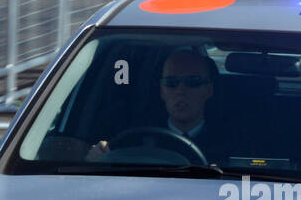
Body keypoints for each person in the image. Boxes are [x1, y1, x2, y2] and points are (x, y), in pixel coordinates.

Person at [86, 48, 222, 160]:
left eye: (193, 82)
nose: (181, 91)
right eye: (171, 83)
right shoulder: (133, 139)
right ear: (162, 91)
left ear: (209, 90)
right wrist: (97, 157)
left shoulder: (234, 141)